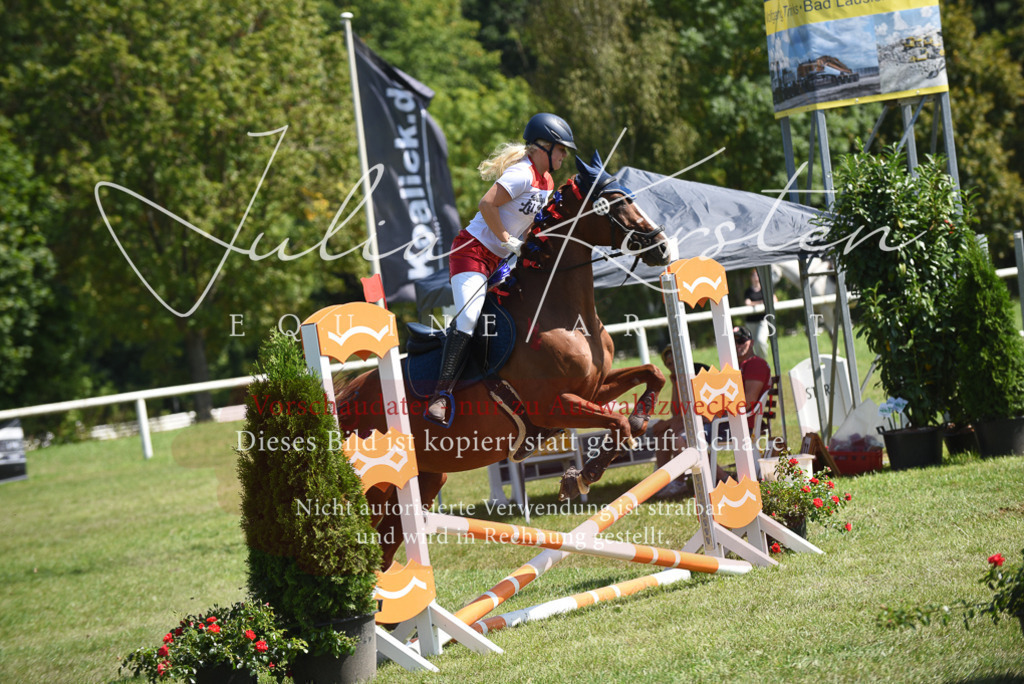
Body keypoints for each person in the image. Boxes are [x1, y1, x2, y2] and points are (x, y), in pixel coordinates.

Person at [425, 113, 576, 425]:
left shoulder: (546, 180)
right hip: (472, 253)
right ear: (543, 147)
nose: (564, 155)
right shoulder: (522, 173)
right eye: (561, 149)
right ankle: (439, 396)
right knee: (468, 317)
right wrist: (508, 239)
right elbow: (486, 204)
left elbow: (532, 220)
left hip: (501, 260)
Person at [651, 326, 770, 497]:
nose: (737, 345)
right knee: (670, 430)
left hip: (738, 425)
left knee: (677, 437)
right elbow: (679, 409)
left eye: (741, 341)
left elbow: (748, 402)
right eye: (732, 341)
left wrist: (714, 414)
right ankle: (670, 482)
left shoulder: (755, 364)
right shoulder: (736, 366)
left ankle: (722, 480)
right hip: (726, 420)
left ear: (751, 342)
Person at [743, 268, 776, 358]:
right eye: (754, 275)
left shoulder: (766, 289)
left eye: (757, 275)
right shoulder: (748, 291)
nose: (756, 277)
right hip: (751, 321)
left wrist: (754, 303)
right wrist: (761, 302)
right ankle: (757, 364)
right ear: (751, 278)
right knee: (753, 345)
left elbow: (774, 300)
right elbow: (747, 303)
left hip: (763, 320)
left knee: (760, 341)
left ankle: (763, 362)